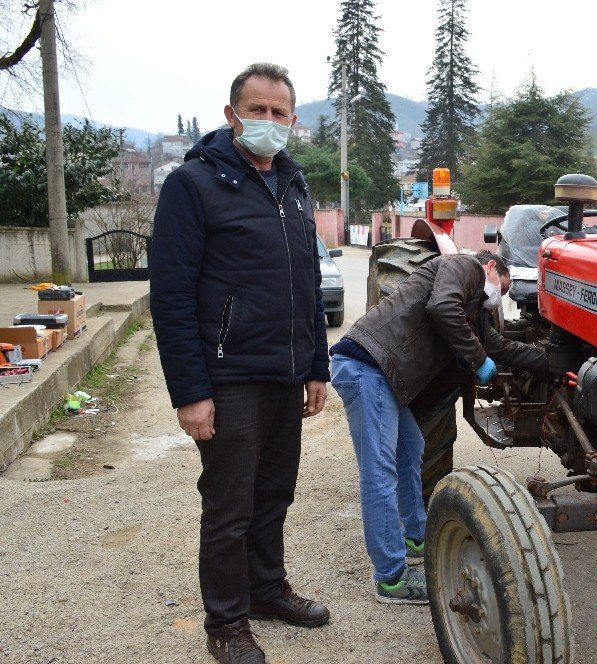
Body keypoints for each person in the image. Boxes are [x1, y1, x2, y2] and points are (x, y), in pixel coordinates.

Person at [150, 63, 330, 664]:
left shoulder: (294, 185)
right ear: (232, 115)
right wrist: (189, 392)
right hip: (228, 376)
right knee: (230, 505)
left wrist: (316, 366)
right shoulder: (193, 185)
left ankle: (266, 590)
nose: (269, 123)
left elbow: (305, 281)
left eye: (280, 114)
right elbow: (172, 296)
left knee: (275, 494)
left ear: (293, 122)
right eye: (258, 110)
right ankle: (226, 624)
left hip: (285, 374)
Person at [330, 250, 547, 604]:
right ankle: (391, 578)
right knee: (379, 472)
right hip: (368, 367)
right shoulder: (462, 266)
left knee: (411, 447)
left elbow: (494, 343)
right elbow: (442, 309)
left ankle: (415, 535)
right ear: (491, 267)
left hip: (385, 376)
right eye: (502, 288)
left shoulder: (473, 306)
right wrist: (479, 362)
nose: (500, 299)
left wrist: (545, 361)